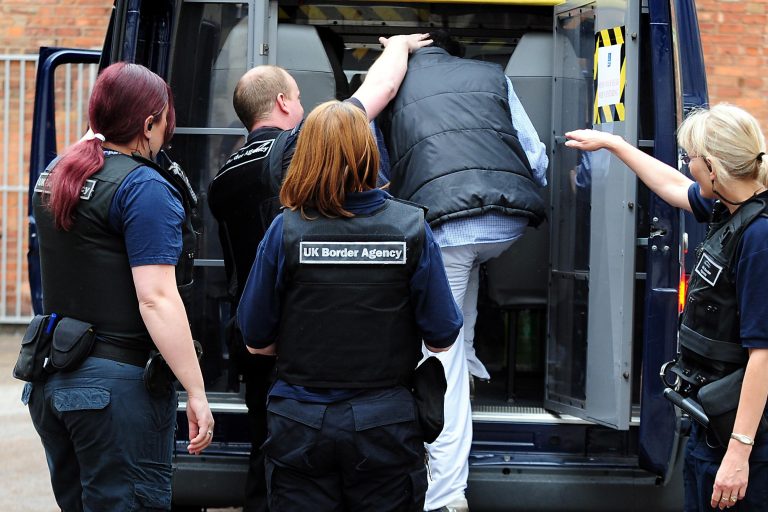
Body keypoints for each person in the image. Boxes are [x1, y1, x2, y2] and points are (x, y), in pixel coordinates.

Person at [207, 32, 431, 510]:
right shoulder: (297, 146)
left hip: (256, 339)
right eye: (300, 97)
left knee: (272, 462)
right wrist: (398, 47)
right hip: (310, 347)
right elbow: (380, 90)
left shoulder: (224, 173)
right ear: (283, 103)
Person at [237, 100, 463, 511]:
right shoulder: (411, 228)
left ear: (306, 155)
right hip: (385, 426)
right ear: (368, 154)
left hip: (301, 425)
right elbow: (442, 336)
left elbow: (254, 339)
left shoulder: (285, 230)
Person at [24, 62, 214, 511]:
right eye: (164, 121)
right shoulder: (143, 188)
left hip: (52, 380)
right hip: (113, 392)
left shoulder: (58, 173)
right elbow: (156, 298)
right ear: (148, 125)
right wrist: (197, 392)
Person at [565, 103, 768, 511]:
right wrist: (614, 144)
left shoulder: (759, 238)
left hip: (741, 444)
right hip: (712, 428)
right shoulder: (730, 207)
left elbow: (763, 356)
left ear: (713, 168)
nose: (687, 166)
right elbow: (672, 186)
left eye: (691, 158)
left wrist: (738, 453)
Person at [379, 29, 549, 512]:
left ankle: (447, 493)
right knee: (463, 270)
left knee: (441, 358)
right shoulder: (492, 75)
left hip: (444, 226)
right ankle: (469, 353)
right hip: (507, 223)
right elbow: (537, 159)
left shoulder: (391, 85)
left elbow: (380, 175)